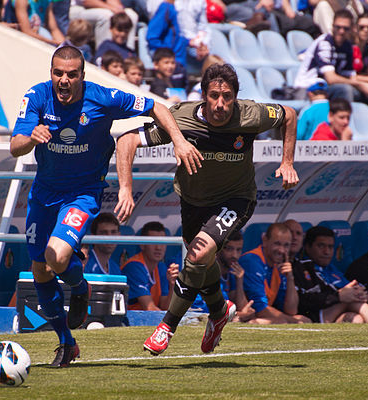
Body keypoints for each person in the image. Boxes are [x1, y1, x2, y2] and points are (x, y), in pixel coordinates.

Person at [9, 45, 201, 367]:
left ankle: (79, 286)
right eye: (58, 73)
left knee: (56, 256)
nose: (64, 81)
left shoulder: (103, 98)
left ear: (82, 76)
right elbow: (16, 146)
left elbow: (157, 107)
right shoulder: (37, 97)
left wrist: (179, 141)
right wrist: (32, 137)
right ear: (51, 73)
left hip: (83, 194)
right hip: (43, 194)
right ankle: (67, 343)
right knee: (40, 269)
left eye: (72, 75)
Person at [115, 62, 300, 355]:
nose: (220, 104)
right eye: (214, 96)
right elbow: (126, 140)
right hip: (193, 201)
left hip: (236, 199)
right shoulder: (182, 120)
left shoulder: (249, 115)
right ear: (203, 95)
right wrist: (125, 187)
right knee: (203, 263)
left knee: (198, 253)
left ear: (236, 98)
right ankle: (218, 312)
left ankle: (167, 326)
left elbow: (288, 114)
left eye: (227, 97)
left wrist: (287, 161)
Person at [292, 226, 368, 323]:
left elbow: (347, 289)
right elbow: (305, 300)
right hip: (315, 315)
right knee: (352, 299)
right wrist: (339, 295)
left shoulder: (332, 268)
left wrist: (361, 293)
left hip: (335, 312)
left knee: (355, 319)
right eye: (321, 246)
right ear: (308, 247)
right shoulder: (303, 267)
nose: (327, 252)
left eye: (330, 247)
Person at [293, 9, 368, 103]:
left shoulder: (348, 47)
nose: (341, 31)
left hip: (327, 88)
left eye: (345, 28)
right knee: (345, 90)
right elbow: (331, 78)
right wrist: (360, 84)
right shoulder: (324, 43)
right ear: (332, 26)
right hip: (308, 88)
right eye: (338, 27)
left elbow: (350, 76)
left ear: (352, 29)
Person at [241, 223, 312, 324]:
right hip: (243, 317)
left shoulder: (278, 265)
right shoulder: (252, 260)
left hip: (260, 316)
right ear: (265, 240)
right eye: (277, 244)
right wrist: (293, 321)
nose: (281, 250)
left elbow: (291, 310)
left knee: (296, 318)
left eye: (286, 245)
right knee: (282, 321)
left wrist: (290, 279)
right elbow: (260, 309)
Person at [120, 221, 178, 310]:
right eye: (153, 242)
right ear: (142, 245)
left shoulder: (161, 267)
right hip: (130, 321)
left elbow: (165, 306)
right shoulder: (134, 266)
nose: (158, 247)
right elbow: (149, 308)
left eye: (162, 242)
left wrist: (172, 285)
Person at [68, 0, 139, 51]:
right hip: (77, 9)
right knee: (106, 16)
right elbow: (87, 1)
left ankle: (129, 54)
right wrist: (113, 9)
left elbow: (114, 2)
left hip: (101, 8)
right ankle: (104, 54)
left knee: (131, 15)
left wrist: (119, 10)